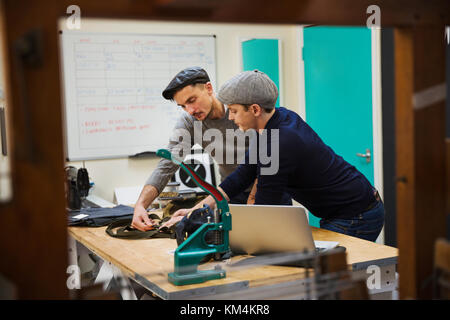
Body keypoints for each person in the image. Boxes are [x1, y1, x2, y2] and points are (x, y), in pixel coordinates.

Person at [162, 70, 384, 242]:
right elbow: (240, 178)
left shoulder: (279, 142)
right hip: (343, 209)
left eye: (235, 111)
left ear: (255, 109)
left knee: (323, 281)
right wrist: (195, 211)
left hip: (357, 213)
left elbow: (264, 210)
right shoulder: (275, 121)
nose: (230, 117)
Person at [132, 67, 291, 232]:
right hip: (230, 194)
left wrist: (253, 203)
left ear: (208, 88)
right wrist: (141, 206)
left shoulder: (241, 109)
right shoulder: (190, 122)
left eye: (192, 100)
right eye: (183, 106)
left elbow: (267, 160)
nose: (190, 111)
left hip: (270, 191)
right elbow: (167, 164)